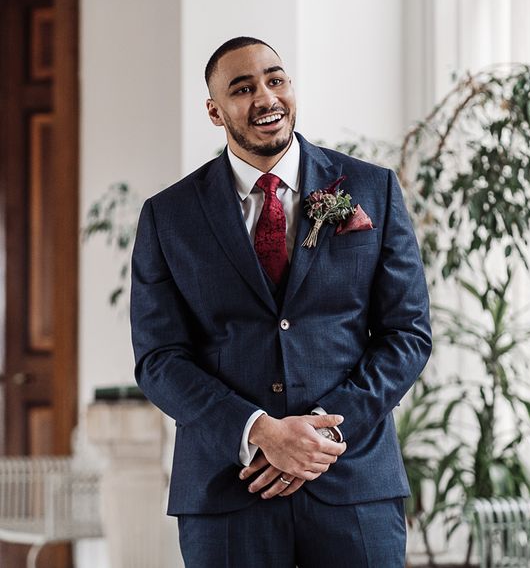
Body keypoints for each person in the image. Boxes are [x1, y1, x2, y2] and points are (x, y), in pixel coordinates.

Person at [130, 36, 432, 567]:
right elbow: (159, 359)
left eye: (275, 79)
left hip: (352, 478)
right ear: (215, 111)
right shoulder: (168, 216)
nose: (266, 97)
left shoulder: (371, 189)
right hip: (229, 487)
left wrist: (321, 432)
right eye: (242, 89)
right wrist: (259, 432)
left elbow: (407, 334)